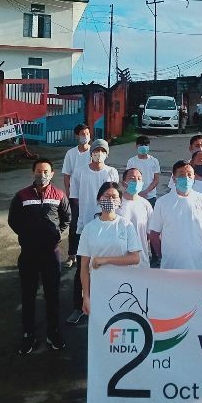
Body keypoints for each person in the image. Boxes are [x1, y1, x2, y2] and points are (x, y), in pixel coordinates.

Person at [8, 158, 71, 354]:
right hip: (28, 254)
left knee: (52, 295)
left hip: (50, 254)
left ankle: (53, 333)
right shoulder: (22, 195)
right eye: (38, 171)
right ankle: (28, 335)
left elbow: (66, 217)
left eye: (45, 172)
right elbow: (13, 220)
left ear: (52, 174)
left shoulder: (59, 195)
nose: (42, 175)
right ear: (32, 172)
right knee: (28, 295)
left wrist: (57, 234)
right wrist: (27, 236)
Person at [67, 139, 119, 325]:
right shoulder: (80, 173)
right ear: (91, 152)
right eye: (96, 150)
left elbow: (114, 197)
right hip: (85, 227)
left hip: (107, 225)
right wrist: (84, 219)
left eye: (102, 150)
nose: (99, 153)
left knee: (106, 266)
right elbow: (75, 199)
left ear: (107, 153)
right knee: (82, 268)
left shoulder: (111, 172)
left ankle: (105, 305)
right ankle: (78, 306)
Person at [78, 182, 142, 316]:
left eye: (114, 197)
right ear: (99, 199)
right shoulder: (89, 228)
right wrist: (86, 296)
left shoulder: (126, 225)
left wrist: (105, 260)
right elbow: (84, 267)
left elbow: (135, 258)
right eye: (106, 196)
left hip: (123, 287)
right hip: (98, 287)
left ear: (120, 201)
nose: (110, 200)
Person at [149, 160, 202, 270]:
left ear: (194, 177)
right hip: (171, 265)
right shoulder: (163, 202)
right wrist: (163, 255)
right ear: (174, 178)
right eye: (181, 175)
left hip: (198, 264)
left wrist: (199, 249)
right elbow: (154, 234)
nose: (186, 178)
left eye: (189, 174)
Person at [60, 123, 91, 268]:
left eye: (87, 134)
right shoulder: (71, 154)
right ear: (77, 136)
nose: (85, 137)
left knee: (91, 225)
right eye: (83, 134)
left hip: (92, 196)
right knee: (74, 226)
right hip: (75, 196)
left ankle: (90, 254)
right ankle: (72, 255)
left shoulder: (94, 152)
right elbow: (67, 175)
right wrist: (69, 193)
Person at [117, 168, 153, 268]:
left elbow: (150, 234)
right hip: (119, 261)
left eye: (139, 179)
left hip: (141, 262)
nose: (136, 182)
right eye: (132, 179)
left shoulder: (146, 205)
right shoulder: (117, 204)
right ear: (124, 183)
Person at [126, 136, 160, 207]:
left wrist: (146, 191)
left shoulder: (154, 161)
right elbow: (128, 178)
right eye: (141, 145)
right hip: (135, 195)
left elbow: (156, 179)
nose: (144, 147)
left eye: (146, 145)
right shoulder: (131, 161)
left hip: (150, 196)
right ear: (136, 146)